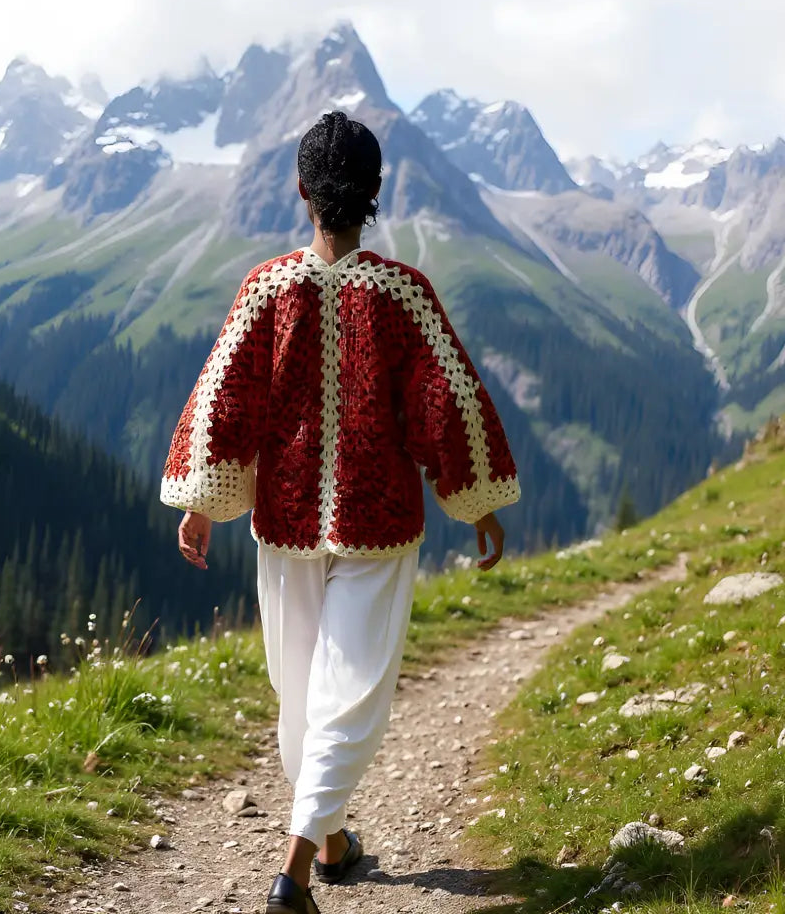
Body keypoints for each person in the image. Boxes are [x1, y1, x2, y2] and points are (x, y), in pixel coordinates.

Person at [161, 110, 520, 914]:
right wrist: (479, 503)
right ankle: (300, 865)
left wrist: (201, 503)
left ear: (301, 190)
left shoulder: (265, 289)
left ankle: (322, 844)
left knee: (302, 694)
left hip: (285, 525)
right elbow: (449, 401)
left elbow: (223, 396)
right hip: (378, 521)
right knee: (346, 689)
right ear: (374, 195)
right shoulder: (405, 295)